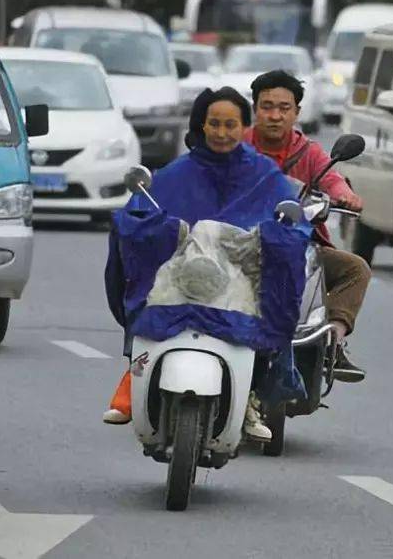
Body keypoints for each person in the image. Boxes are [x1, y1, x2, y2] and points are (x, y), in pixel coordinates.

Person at [101, 87, 310, 442]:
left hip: (239, 282)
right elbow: (138, 212)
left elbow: (292, 223)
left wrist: (271, 238)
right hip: (179, 279)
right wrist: (149, 226)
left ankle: (249, 395)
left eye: (231, 124)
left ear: (244, 127)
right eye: (214, 123)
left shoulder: (264, 176)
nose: (222, 132)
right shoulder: (175, 174)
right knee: (150, 303)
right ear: (202, 125)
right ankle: (134, 378)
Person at [244, 70, 370, 382]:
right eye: (267, 106)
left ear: (297, 113)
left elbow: (332, 180)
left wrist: (345, 196)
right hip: (239, 245)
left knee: (356, 269)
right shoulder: (237, 147)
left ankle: (332, 343)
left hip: (298, 248)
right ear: (254, 109)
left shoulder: (309, 152)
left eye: (284, 108)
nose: (275, 116)